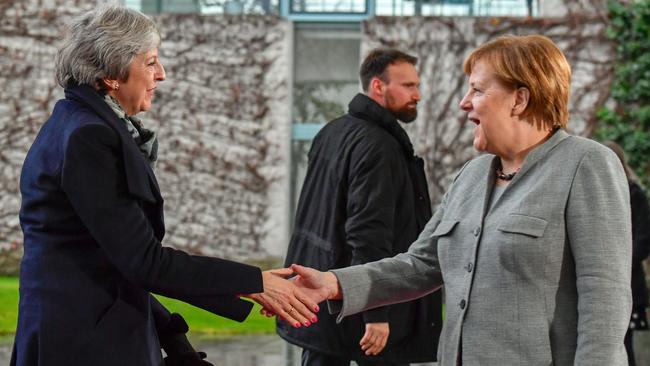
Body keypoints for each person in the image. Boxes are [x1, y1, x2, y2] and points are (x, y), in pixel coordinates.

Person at [286, 35, 633, 365]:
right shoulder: (472, 174)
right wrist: (333, 283)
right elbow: (421, 264)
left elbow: (605, 300)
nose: (464, 102)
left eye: (478, 90)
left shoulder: (587, 164)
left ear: (520, 99)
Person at [11, 6, 317, 366]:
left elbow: (115, 261)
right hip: (84, 343)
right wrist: (255, 282)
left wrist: (175, 341)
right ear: (112, 73)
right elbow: (143, 261)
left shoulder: (78, 124)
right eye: (151, 62)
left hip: (84, 332)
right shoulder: (89, 136)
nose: (162, 74)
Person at [276, 49, 442, 366]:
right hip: (359, 310)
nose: (417, 95)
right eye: (408, 86)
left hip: (323, 304)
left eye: (416, 85)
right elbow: (369, 232)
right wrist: (375, 313)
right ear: (378, 87)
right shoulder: (379, 147)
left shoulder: (333, 131)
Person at [603, 141, 650, 366]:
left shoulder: (634, 194)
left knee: (626, 348)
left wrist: (611, 263)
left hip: (628, 284)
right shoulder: (593, 194)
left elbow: (643, 241)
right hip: (600, 287)